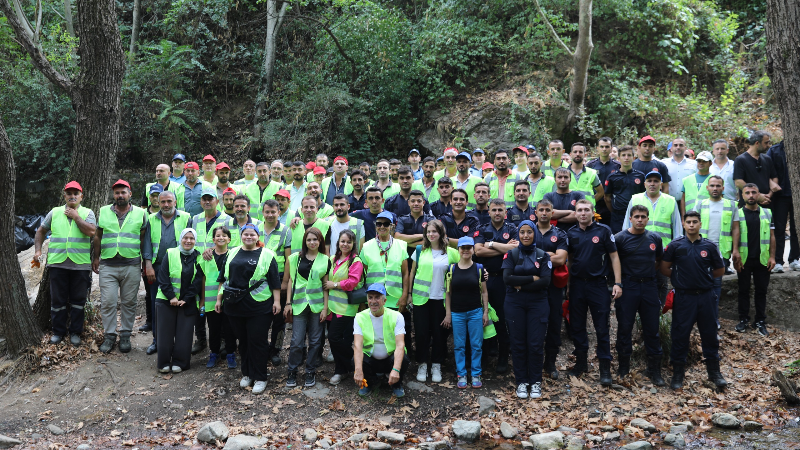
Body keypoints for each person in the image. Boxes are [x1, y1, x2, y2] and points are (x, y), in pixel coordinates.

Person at [660, 211, 727, 390]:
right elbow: (665, 268)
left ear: (700, 223)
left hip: (706, 296)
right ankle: (678, 374)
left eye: (695, 222)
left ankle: (714, 373)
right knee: (680, 335)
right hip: (684, 297)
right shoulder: (675, 246)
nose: (691, 225)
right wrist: (681, 279)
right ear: (683, 224)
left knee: (709, 334)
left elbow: (719, 270)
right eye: (688, 222)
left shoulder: (710, 246)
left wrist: (702, 278)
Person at [217, 223, 282, 394]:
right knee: (243, 341)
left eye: (252, 234)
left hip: (259, 306)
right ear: (241, 235)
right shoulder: (232, 253)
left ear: (257, 236)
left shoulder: (267, 254)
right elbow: (224, 279)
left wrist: (277, 302)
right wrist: (219, 299)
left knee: (257, 341)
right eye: (245, 234)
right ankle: (247, 373)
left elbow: (275, 281)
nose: (249, 237)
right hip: (235, 306)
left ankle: (260, 376)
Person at [566, 200, 622, 386]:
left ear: (592, 212)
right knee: (577, 326)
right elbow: (570, 261)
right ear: (575, 213)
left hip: (598, 285)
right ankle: (581, 363)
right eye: (579, 210)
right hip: (577, 286)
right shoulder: (571, 233)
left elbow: (614, 257)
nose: (583, 213)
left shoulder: (604, 231)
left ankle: (604, 367)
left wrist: (617, 283)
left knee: (601, 327)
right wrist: (567, 285)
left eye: (586, 210)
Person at [34, 181, 96, 346]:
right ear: (64, 196)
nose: (72, 196)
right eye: (69, 193)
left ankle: (75, 332)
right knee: (57, 301)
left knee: (78, 301)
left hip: (80, 265)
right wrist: (38, 251)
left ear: (81, 196)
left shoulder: (87, 212)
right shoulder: (54, 212)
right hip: (58, 264)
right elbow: (41, 231)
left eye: (76, 193)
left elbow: (91, 231)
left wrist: (76, 217)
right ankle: (58, 332)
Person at [93, 179, 147, 354]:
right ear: (113, 195)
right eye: (117, 193)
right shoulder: (103, 212)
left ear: (130, 194)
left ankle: (125, 335)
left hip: (131, 264)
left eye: (123, 192)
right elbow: (98, 236)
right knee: (108, 302)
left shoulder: (140, 213)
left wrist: (145, 262)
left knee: (129, 302)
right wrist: (95, 257)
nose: (120, 195)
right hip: (108, 264)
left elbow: (143, 239)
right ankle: (109, 335)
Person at [613, 205, 665, 385]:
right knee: (624, 328)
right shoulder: (620, 238)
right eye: (637, 217)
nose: (640, 220)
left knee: (652, 329)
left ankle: (654, 370)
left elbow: (659, 260)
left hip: (649, 286)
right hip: (628, 287)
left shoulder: (654, 238)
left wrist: (648, 275)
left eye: (643, 217)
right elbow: (614, 261)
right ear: (630, 218)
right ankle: (623, 367)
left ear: (648, 219)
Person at [502, 220, 552, 399]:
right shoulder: (511, 254)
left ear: (535, 234)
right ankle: (522, 382)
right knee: (518, 343)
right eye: (522, 232)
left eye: (529, 232)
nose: (525, 235)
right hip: (514, 303)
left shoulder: (542, 256)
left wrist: (521, 284)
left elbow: (546, 281)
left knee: (536, 343)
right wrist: (532, 278)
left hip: (538, 303)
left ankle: (535, 382)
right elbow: (507, 279)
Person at [410, 219, 459, 383]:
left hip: (441, 300)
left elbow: (465, 266)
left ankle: (437, 364)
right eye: (428, 232)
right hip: (421, 299)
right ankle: (422, 364)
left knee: (440, 334)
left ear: (441, 234)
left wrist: (482, 272)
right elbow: (412, 273)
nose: (431, 234)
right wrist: (409, 293)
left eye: (434, 231)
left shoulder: (451, 253)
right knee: (422, 333)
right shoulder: (419, 251)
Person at [143, 190, 192, 355]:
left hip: (180, 267)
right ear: (158, 202)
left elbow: (191, 240)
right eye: (162, 202)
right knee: (158, 305)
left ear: (175, 202)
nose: (165, 205)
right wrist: (148, 265)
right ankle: (158, 341)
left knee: (181, 303)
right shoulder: (150, 219)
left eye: (169, 201)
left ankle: (180, 342)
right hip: (156, 268)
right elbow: (147, 243)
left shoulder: (185, 217)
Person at [624, 171, 683, 304]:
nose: (652, 184)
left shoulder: (670, 200)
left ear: (661, 184)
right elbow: (626, 226)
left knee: (661, 283)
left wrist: (674, 251)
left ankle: (659, 314)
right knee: (638, 282)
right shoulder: (635, 199)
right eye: (649, 181)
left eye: (656, 181)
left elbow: (677, 229)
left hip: (662, 252)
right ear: (644, 184)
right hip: (638, 251)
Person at [474, 199, 519, 374]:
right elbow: (478, 251)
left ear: (505, 213)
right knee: (482, 318)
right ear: (489, 212)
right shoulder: (482, 229)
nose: (497, 212)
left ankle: (502, 358)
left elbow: (515, 251)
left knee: (502, 318)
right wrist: (504, 248)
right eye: (494, 210)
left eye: (500, 210)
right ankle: (483, 357)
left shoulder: (512, 229)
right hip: (484, 279)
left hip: (504, 280)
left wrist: (491, 244)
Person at [285, 227, 331, 387]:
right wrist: (288, 303)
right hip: (298, 305)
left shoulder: (325, 259)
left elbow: (326, 286)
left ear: (320, 242)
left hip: (317, 306)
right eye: (309, 239)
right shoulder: (294, 258)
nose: (312, 242)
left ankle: (310, 371)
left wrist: (325, 308)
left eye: (315, 239)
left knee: (316, 341)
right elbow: (290, 280)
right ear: (305, 241)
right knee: (297, 341)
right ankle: (292, 371)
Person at [443, 237, 490, 388]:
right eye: (462, 248)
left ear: (473, 250)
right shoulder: (451, 269)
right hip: (457, 313)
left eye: (469, 247)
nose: (465, 250)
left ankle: (476, 373)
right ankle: (461, 374)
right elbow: (448, 293)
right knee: (459, 345)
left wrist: (485, 312)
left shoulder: (479, 268)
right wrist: (448, 314)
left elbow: (484, 292)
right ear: (458, 250)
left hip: (475, 312)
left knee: (476, 344)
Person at [155, 228, 204, 373]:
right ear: (181, 239)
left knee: (185, 333)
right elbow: (163, 277)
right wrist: (172, 297)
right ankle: (164, 362)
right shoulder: (170, 253)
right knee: (165, 333)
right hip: (166, 300)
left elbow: (198, 281)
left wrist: (186, 299)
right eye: (185, 238)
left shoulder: (198, 256)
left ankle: (180, 362)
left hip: (187, 302)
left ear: (195, 241)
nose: (188, 241)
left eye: (192, 238)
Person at [732, 184, 776, 337]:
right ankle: (743, 319)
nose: (751, 195)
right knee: (743, 290)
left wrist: (772, 256)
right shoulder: (737, 213)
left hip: (762, 259)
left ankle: (760, 321)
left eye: (754, 192)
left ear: (758, 194)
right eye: (747, 193)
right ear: (742, 196)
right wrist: (735, 252)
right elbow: (735, 234)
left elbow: (772, 236)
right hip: (744, 259)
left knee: (761, 291)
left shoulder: (767, 213)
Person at [693, 175, 740, 318]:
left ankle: (713, 317)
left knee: (716, 285)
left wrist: (735, 249)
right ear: (707, 187)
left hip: (721, 251)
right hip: (701, 250)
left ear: (723, 188)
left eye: (718, 186)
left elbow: (736, 228)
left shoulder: (732, 205)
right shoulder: (700, 204)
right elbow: (692, 226)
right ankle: (698, 316)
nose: (715, 188)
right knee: (698, 283)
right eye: (712, 185)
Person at [532, 200, 568, 379]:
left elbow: (561, 259)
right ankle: (534, 362)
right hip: (531, 285)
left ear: (553, 213)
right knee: (533, 324)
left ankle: (551, 362)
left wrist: (536, 256)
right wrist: (550, 255)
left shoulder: (560, 234)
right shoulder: (528, 230)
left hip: (553, 286)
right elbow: (521, 256)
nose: (544, 213)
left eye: (548, 210)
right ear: (536, 212)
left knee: (554, 322)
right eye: (541, 210)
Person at [322, 230, 364, 385]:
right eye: (342, 241)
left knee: (335, 337)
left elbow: (353, 281)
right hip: (332, 306)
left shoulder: (355, 261)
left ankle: (347, 366)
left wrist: (336, 284)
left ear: (353, 244)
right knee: (336, 340)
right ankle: (344, 368)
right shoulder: (333, 259)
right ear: (338, 242)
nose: (345, 244)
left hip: (346, 307)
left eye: (349, 242)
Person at [354, 283, 409, 398]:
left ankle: (396, 384)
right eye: (370, 297)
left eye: (377, 297)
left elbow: (400, 345)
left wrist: (396, 369)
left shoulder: (397, 316)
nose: (373, 301)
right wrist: (358, 370)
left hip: (390, 358)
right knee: (356, 359)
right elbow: (358, 346)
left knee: (403, 358)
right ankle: (369, 382)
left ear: (384, 301)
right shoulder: (359, 317)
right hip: (371, 358)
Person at [199, 226, 237, 369]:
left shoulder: (234, 255)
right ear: (213, 239)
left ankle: (230, 354)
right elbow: (202, 279)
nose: (221, 238)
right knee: (213, 329)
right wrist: (202, 300)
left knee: (229, 329)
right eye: (218, 235)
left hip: (229, 300)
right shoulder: (206, 258)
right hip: (210, 300)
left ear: (229, 239)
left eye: (224, 235)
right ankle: (214, 354)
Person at [260, 200, 293, 364]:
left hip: (279, 277)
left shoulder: (285, 231)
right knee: (262, 316)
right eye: (267, 212)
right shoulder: (256, 229)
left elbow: (288, 259)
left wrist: (286, 281)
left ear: (278, 212)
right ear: (263, 212)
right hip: (259, 280)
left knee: (279, 318)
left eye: (273, 212)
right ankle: (262, 347)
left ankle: (275, 350)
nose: (270, 215)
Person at [361, 212, 410, 313]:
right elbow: (363, 275)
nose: (382, 226)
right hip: (373, 299)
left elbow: (405, 274)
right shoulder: (366, 246)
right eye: (379, 224)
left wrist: (404, 296)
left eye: (386, 224)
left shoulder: (401, 245)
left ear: (392, 226)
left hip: (395, 299)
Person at [766, 141, 799, 273]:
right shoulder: (774, 150)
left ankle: (794, 259)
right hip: (780, 195)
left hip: (797, 195)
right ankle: (778, 260)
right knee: (779, 228)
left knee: (796, 228)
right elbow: (766, 170)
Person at [604, 145, 646, 233]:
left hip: (636, 215)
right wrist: (614, 210)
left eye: (629, 155)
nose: (626, 158)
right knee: (617, 241)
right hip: (618, 217)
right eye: (623, 155)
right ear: (619, 158)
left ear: (633, 158)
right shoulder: (612, 177)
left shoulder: (640, 176)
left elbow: (645, 196)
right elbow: (607, 197)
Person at [587, 137, 620, 225]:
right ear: (597, 148)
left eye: (607, 147)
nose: (604, 149)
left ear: (611, 148)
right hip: (596, 203)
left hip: (612, 204)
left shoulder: (618, 166)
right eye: (601, 147)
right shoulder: (590, 165)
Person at [395, 190, 436, 256]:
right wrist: (423, 235)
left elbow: (434, 240)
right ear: (408, 203)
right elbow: (397, 237)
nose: (416, 204)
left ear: (423, 203)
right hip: (405, 258)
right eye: (413, 201)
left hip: (426, 257)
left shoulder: (431, 219)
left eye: (419, 201)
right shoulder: (402, 219)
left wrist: (407, 243)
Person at [663, 138, 698, 210]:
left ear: (685, 148)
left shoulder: (694, 164)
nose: (678, 147)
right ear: (672, 148)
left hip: (688, 202)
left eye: (681, 145)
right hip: (668, 202)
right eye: (675, 145)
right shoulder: (664, 163)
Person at [567, 143, 604, 207]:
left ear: (585, 155)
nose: (577, 154)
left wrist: (591, 204)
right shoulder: (564, 173)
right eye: (575, 152)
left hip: (587, 212)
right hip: (568, 211)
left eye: (580, 152)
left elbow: (601, 192)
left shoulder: (591, 173)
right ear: (571, 154)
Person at [680, 151, 713, 217]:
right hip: (690, 218)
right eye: (699, 161)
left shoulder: (715, 180)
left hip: (708, 216)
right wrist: (683, 218)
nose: (701, 163)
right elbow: (683, 200)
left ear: (710, 163)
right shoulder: (687, 179)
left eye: (704, 161)